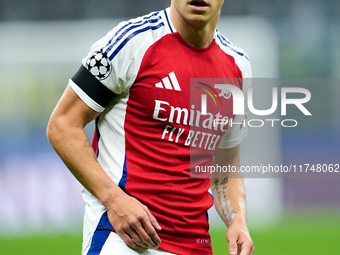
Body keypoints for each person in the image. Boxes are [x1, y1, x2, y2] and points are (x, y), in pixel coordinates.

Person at [47, 0, 255, 254]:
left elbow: (224, 163)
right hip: (122, 237)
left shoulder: (237, 66)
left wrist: (237, 222)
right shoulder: (131, 42)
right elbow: (62, 125)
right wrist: (115, 201)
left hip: (194, 242)